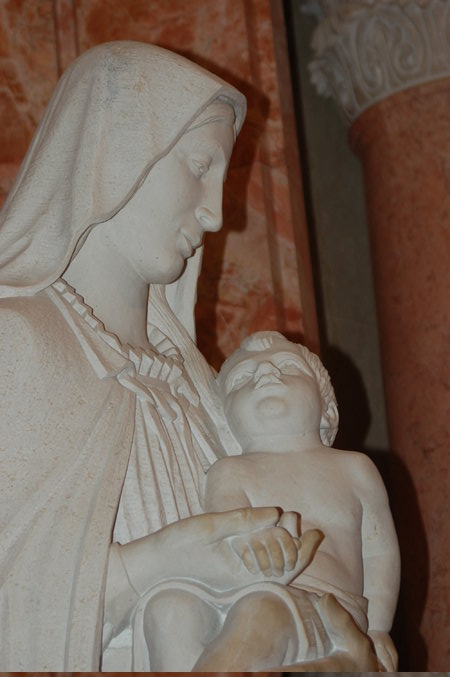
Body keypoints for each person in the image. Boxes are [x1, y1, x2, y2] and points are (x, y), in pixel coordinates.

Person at [0, 42, 315, 671]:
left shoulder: (199, 385)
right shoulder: (22, 344)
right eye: (199, 164)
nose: (215, 213)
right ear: (114, 153)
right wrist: (163, 561)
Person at [202, 330, 401, 671]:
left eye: (287, 366)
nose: (266, 374)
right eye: (243, 378)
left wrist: (379, 629)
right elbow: (226, 541)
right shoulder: (230, 472)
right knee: (249, 616)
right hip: (264, 597)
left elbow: (380, 553)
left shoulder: (355, 469)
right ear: (226, 424)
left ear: (327, 409)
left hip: (341, 611)